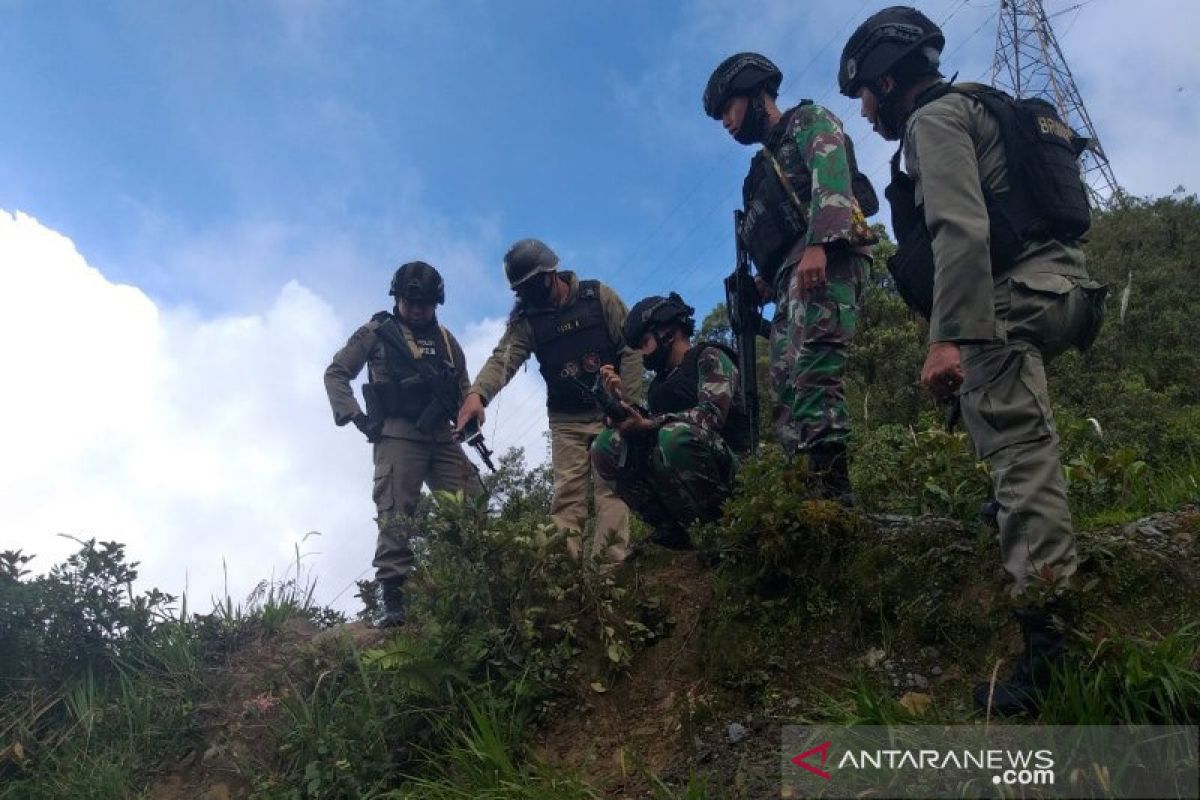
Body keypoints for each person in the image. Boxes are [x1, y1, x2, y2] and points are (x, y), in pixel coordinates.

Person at [839, 6, 1107, 715]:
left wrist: (946, 338)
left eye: (864, 94)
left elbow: (961, 229)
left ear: (889, 79)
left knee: (1019, 450)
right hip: (1068, 284)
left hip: (1015, 293)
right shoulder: (988, 103)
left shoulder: (932, 121)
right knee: (1006, 432)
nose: (864, 112)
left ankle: (1052, 658)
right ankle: (1012, 516)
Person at [703, 52, 879, 503]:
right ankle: (807, 500)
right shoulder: (761, 170)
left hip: (829, 257)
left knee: (814, 373)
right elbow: (779, 244)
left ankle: (835, 498)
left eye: (729, 108)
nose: (726, 122)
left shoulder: (807, 120)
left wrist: (821, 243)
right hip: (791, 278)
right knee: (785, 389)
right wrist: (756, 289)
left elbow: (831, 177)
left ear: (755, 93)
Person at [455, 239, 641, 562]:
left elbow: (632, 347)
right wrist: (477, 394)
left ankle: (609, 575)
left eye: (531, 285)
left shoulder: (597, 297)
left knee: (612, 491)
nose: (527, 294)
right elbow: (503, 359)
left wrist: (631, 404)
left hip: (611, 413)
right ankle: (564, 581)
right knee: (568, 499)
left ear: (550, 274)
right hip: (566, 421)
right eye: (521, 290)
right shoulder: (528, 321)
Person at [324, 261, 483, 627]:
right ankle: (393, 601)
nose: (416, 310)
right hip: (396, 433)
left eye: (425, 304)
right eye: (409, 302)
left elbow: (463, 388)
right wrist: (356, 416)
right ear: (396, 297)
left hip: (442, 436)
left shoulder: (445, 340)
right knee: (395, 514)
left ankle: (475, 582)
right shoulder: (376, 332)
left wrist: (468, 421)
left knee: (473, 502)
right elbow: (336, 373)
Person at [589, 293, 752, 550]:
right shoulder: (659, 387)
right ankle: (671, 529)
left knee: (673, 436)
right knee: (606, 445)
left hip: (737, 473)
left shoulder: (709, 357)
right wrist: (621, 409)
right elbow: (652, 431)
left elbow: (710, 417)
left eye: (645, 342)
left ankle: (724, 529)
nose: (643, 353)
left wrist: (649, 424)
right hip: (683, 465)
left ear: (667, 332)